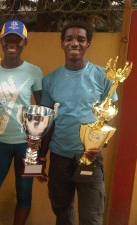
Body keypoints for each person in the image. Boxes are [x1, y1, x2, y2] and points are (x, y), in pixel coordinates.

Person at [40, 20, 118, 225]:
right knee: (62, 213)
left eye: (81, 39)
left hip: (91, 159)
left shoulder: (103, 77)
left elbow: (110, 114)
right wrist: (41, 156)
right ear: (62, 43)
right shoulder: (50, 80)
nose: (75, 43)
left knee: (91, 218)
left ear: (88, 44)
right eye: (69, 38)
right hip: (59, 158)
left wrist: (101, 144)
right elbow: (48, 122)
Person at [0, 20, 43, 225]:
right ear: (1, 42)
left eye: (17, 39)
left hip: (25, 144)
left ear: (25, 43)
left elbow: (40, 109)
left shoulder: (34, 72)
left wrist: (37, 140)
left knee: (24, 196)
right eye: (8, 39)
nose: (12, 43)